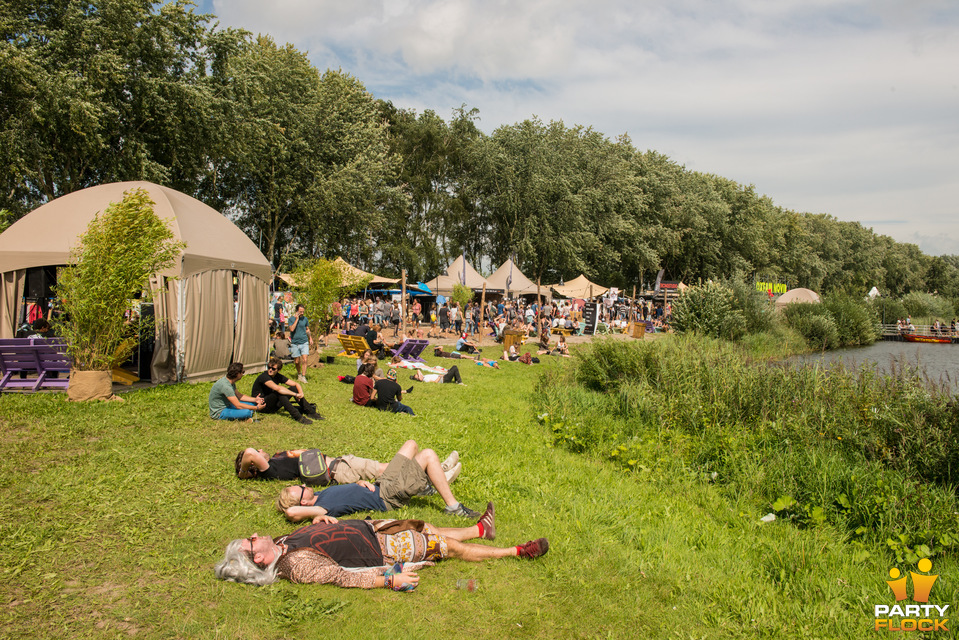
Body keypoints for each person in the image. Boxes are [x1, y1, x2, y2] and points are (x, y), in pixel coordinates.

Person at [214, 504, 549, 589]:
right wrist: (391, 579)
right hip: (383, 551)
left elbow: (315, 540)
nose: (257, 533)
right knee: (445, 546)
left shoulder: (284, 543)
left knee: (428, 528)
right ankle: (520, 551)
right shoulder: (295, 567)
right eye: (252, 539)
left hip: (372, 529)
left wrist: (319, 523)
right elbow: (344, 578)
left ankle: (480, 529)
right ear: (257, 557)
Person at [276, 440, 472, 520]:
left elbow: (347, 493)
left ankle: (428, 481)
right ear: (303, 502)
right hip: (386, 496)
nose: (303, 484)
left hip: (380, 484)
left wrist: (359, 483)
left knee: (411, 445)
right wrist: (315, 515)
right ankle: (453, 507)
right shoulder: (321, 507)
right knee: (428, 454)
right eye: (300, 488)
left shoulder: (318, 495)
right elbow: (292, 512)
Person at [235, 444, 459, 484]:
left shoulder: (274, 462)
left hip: (339, 464)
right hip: (339, 469)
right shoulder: (269, 470)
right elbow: (250, 454)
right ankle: (435, 473)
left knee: (384, 467)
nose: (260, 450)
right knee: (385, 469)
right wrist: (245, 470)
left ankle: (436, 471)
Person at [251, 357, 323, 424]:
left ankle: (311, 412)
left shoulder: (278, 376)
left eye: (273, 369)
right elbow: (278, 388)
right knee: (279, 392)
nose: (270, 370)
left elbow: (296, 384)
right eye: (269, 367)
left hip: (273, 404)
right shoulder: (264, 377)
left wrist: (301, 393)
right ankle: (298, 417)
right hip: (262, 406)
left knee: (293, 388)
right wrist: (295, 395)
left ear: (278, 370)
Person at [288, 304, 313, 384]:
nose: (302, 313)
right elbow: (292, 329)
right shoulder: (291, 319)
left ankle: (303, 376)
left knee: (305, 359)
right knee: (297, 361)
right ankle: (299, 374)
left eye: (303, 311)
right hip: (295, 342)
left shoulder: (305, 319)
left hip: (304, 341)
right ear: (297, 311)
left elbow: (307, 329)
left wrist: (310, 338)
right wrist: (296, 319)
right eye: (300, 311)